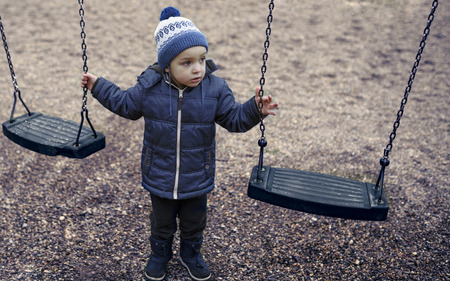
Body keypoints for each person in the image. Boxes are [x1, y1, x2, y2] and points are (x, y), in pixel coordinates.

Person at [81, 6, 278, 281]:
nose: (197, 68)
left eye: (201, 59)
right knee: (161, 223)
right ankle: (160, 255)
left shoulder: (215, 89)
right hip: (159, 173)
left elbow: (234, 120)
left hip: (197, 174)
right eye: (186, 62)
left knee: (194, 222)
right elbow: (125, 104)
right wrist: (98, 85)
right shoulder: (149, 88)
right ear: (166, 65)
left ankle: (191, 254)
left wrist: (255, 109)